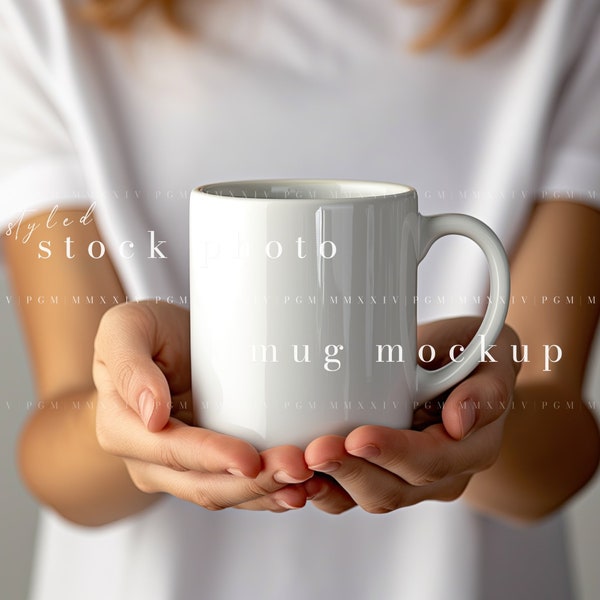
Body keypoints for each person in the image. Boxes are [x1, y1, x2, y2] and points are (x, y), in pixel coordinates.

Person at [1, 0, 599, 598]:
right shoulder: (45, 18)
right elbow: (58, 440)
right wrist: (136, 412)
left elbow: (558, 446)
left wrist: (468, 408)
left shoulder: (563, 17)